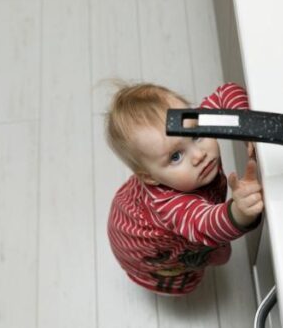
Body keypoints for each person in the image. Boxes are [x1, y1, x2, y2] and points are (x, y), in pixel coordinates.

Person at [105, 82, 263, 296]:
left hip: (134, 208)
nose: (199, 156)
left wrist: (246, 126)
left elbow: (227, 93)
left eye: (196, 134)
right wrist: (240, 213)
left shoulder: (190, 125)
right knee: (186, 264)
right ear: (150, 177)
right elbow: (206, 224)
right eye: (175, 157)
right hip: (151, 251)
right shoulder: (169, 205)